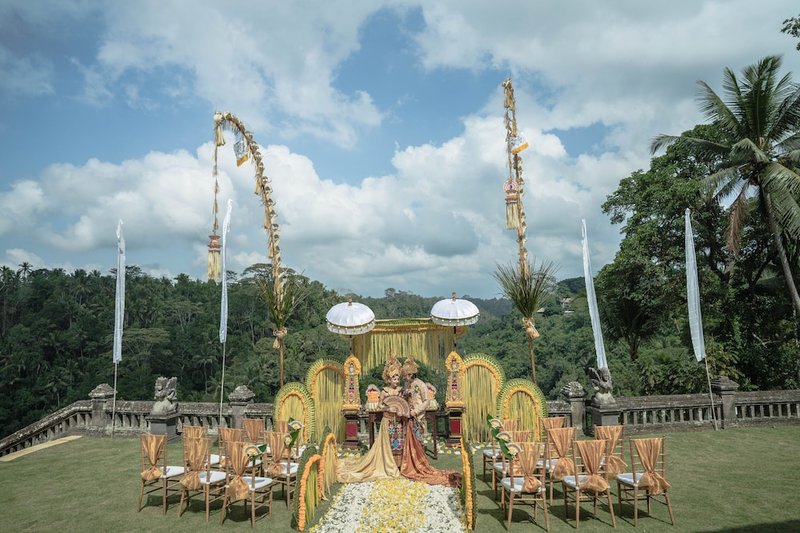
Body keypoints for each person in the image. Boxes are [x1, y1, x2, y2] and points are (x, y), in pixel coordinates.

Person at [336, 355, 403, 483]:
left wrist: (401, 409)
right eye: (394, 378)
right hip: (387, 421)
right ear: (389, 380)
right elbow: (380, 405)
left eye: (398, 378)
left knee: (398, 443)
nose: (396, 381)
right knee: (387, 444)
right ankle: (388, 465)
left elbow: (403, 403)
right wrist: (388, 408)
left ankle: (398, 464)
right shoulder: (384, 392)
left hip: (398, 421)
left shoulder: (401, 391)